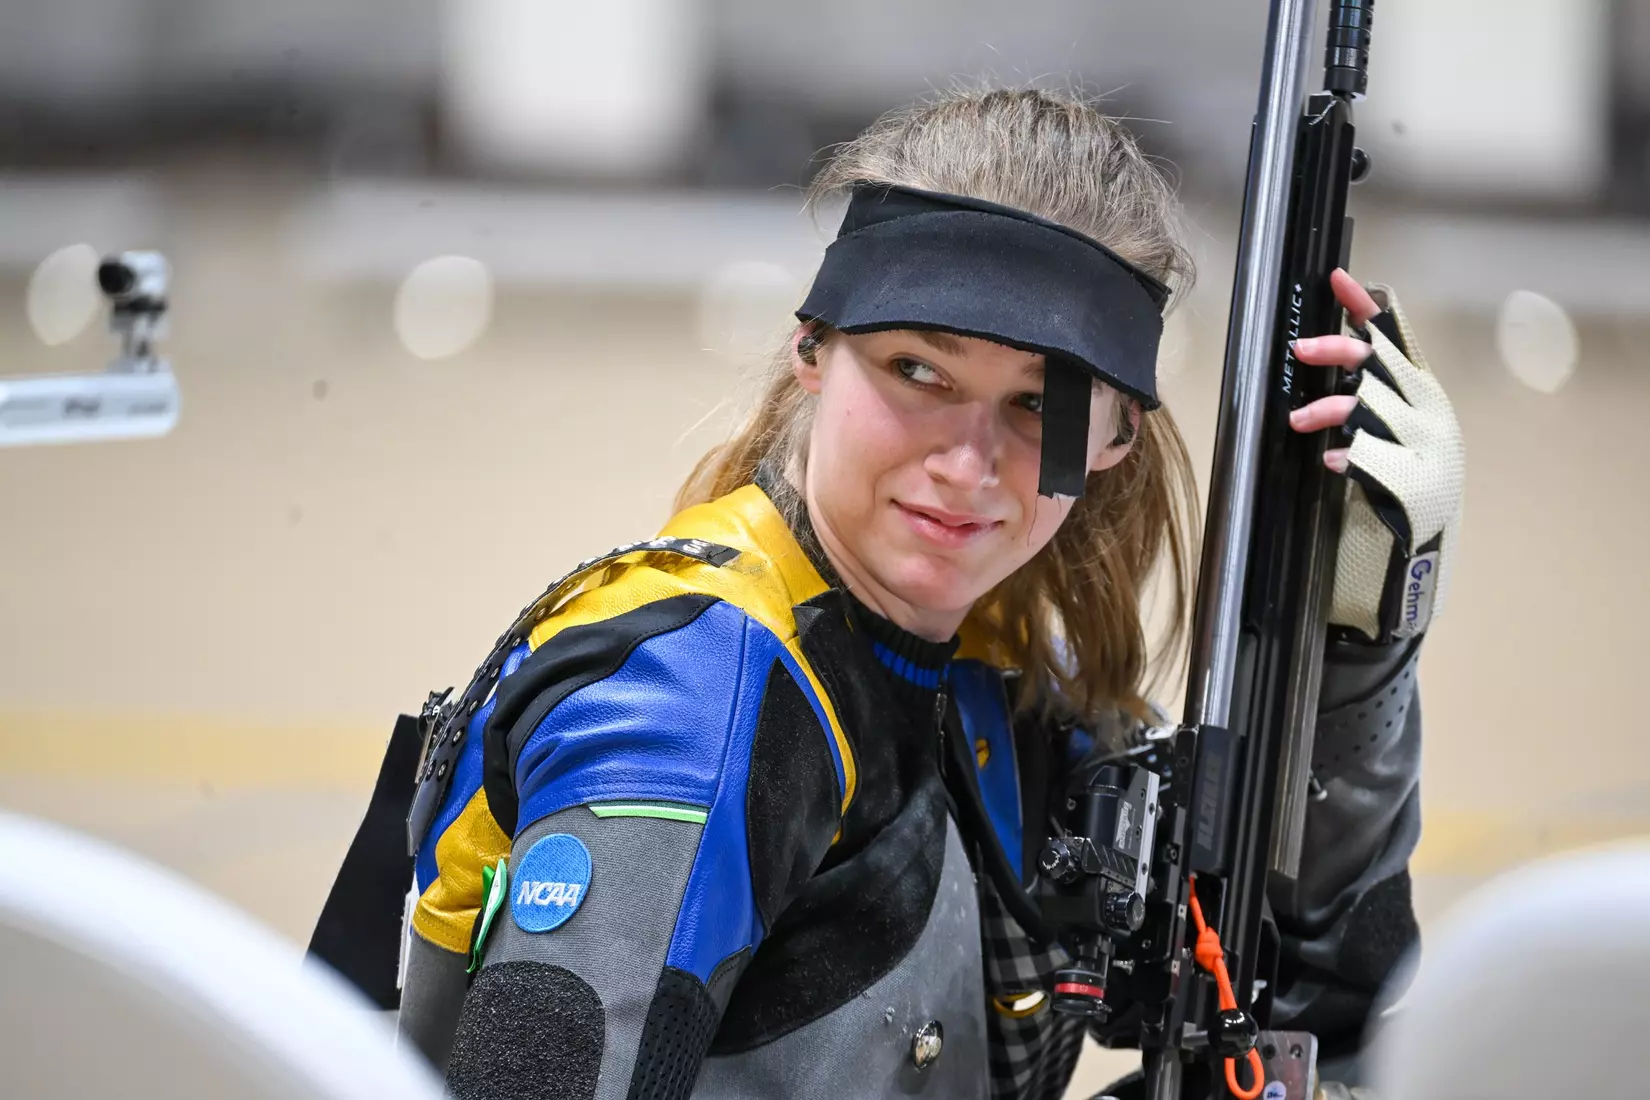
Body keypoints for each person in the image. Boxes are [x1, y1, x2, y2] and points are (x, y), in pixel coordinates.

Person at [387, 88, 1465, 1100]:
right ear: (814, 349)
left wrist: (1362, 636)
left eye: (1041, 404)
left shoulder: (995, 679)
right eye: (917, 372)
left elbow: (1299, 998)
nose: (967, 463)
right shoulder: (695, 696)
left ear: (1117, 437)